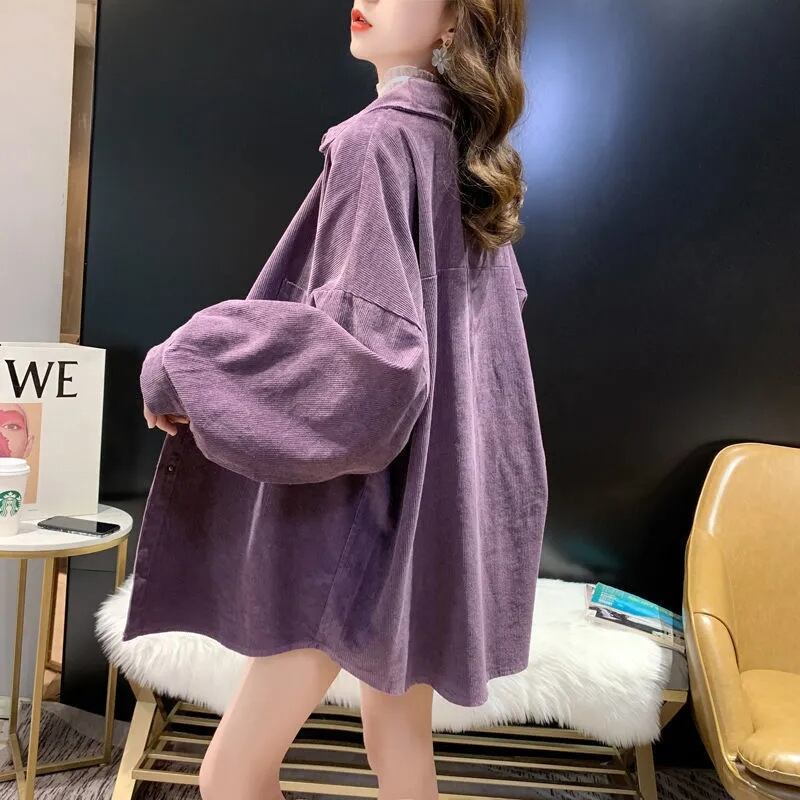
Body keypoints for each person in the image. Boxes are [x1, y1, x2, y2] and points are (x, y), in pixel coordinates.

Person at [128, 1, 547, 798]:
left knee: (232, 772)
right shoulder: (467, 157)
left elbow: (368, 364)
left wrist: (186, 364)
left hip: (357, 520)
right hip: (436, 513)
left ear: (456, 21)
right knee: (399, 746)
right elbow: (481, 363)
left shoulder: (377, 142)